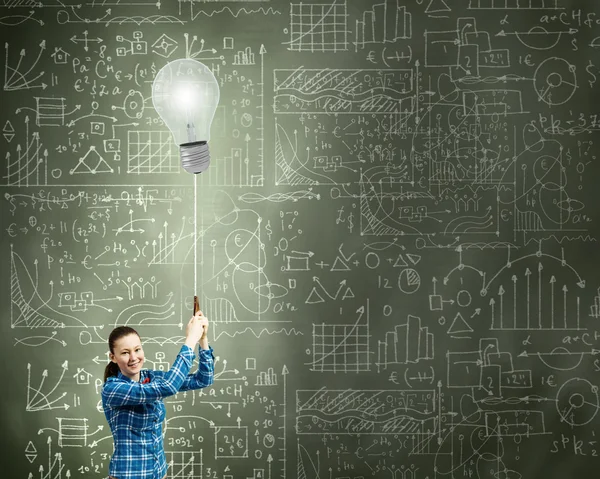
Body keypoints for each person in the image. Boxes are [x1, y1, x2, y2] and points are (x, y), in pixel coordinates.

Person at [101, 309, 214, 479]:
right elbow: (169, 386)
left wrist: (202, 339)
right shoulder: (112, 389)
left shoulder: (151, 377)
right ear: (113, 357)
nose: (133, 357)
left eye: (137, 349)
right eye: (125, 352)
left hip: (159, 473)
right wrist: (190, 340)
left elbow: (203, 379)